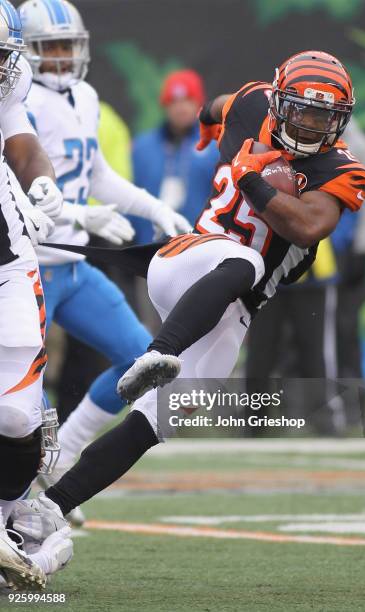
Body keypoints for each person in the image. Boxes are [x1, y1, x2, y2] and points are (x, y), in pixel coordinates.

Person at [12, 51, 365, 534]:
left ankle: (50, 507)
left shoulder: (342, 168)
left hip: (233, 310)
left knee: (167, 414)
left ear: (340, 120)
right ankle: (157, 351)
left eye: (322, 116)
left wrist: (250, 178)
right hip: (190, 261)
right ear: (277, 100)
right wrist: (209, 126)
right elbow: (220, 106)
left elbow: (309, 226)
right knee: (245, 259)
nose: (309, 125)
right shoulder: (253, 104)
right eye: (301, 110)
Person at [17, 0, 191, 526]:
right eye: (52, 47)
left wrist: (153, 207)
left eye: (71, 45)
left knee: (139, 359)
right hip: (26, 270)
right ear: (27, 51)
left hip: (71, 268)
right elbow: (15, 188)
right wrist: (80, 217)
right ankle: (19, 503)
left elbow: (97, 176)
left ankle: (63, 456)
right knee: (20, 394)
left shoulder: (86, 97)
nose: (64, 57)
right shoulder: (17, 100)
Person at [0, 0, 74, 589]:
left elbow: (19, 138)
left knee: (17, 412)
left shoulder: (15, 74)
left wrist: (40, 183)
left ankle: (5, 522)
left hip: (5, 250)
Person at [131, 69, 219, 244]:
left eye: (187, 100)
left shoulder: (215, 146)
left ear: (198, 103)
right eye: (174, 101)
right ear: (165, 105)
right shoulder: (142, 146)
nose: (181, 108)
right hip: (150, 246)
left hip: (200, 244)